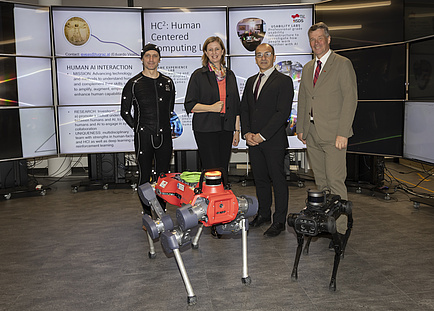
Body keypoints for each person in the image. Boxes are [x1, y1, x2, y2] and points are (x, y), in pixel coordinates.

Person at [297, 22, 357, 233]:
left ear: (328, 39)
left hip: (334, 135)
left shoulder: (342, 64)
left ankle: (340, 230)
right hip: (312, 133)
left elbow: (350, 99)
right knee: (321, 182)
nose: (316, 43)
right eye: (312, 40)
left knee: (335, 181)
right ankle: (326, 224)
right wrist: (301, 127)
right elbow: (304, 98)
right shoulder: (307, 68)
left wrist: (343, 132)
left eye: (320, 38)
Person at [240, 43, 294, 237]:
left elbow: (282, 113)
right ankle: (263, 214)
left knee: (278, 181)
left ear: (273, 57)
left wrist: (261, 136)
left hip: (272, 141)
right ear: (255, 58)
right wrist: (247, 133)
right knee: (260, 180)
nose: (263, 58)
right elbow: (244, 109)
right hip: (253, 141)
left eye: (267, 54)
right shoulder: (250, 81)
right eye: (259, 55)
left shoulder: (284, 81)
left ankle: (279, 221)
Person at [121, 43, 175, 215]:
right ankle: (147, 214)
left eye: (155, 56)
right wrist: (138, 128)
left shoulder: (168, 82)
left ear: (159, 59)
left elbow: (169, 109)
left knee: (163, 177)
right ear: (142, 58)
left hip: (164, 136)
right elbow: (125, 112)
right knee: (144, 176)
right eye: (147, 56)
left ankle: (161, 211)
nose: (151, 59)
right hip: (143, 137)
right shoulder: (134, 83)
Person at [184, 36, 241, 176]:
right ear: (205, 52)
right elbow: (189, 105)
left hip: (227, 128)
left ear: (222, 51)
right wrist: (211, 108)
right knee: (211, 169)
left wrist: (237, 130)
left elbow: (235, 105)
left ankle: (223, 195)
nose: (214, 52)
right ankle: (211, 196)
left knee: (223, 167)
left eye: (217, 49)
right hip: (205, 128)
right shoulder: (198, 75)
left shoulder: (230, 75)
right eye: (210, 50)